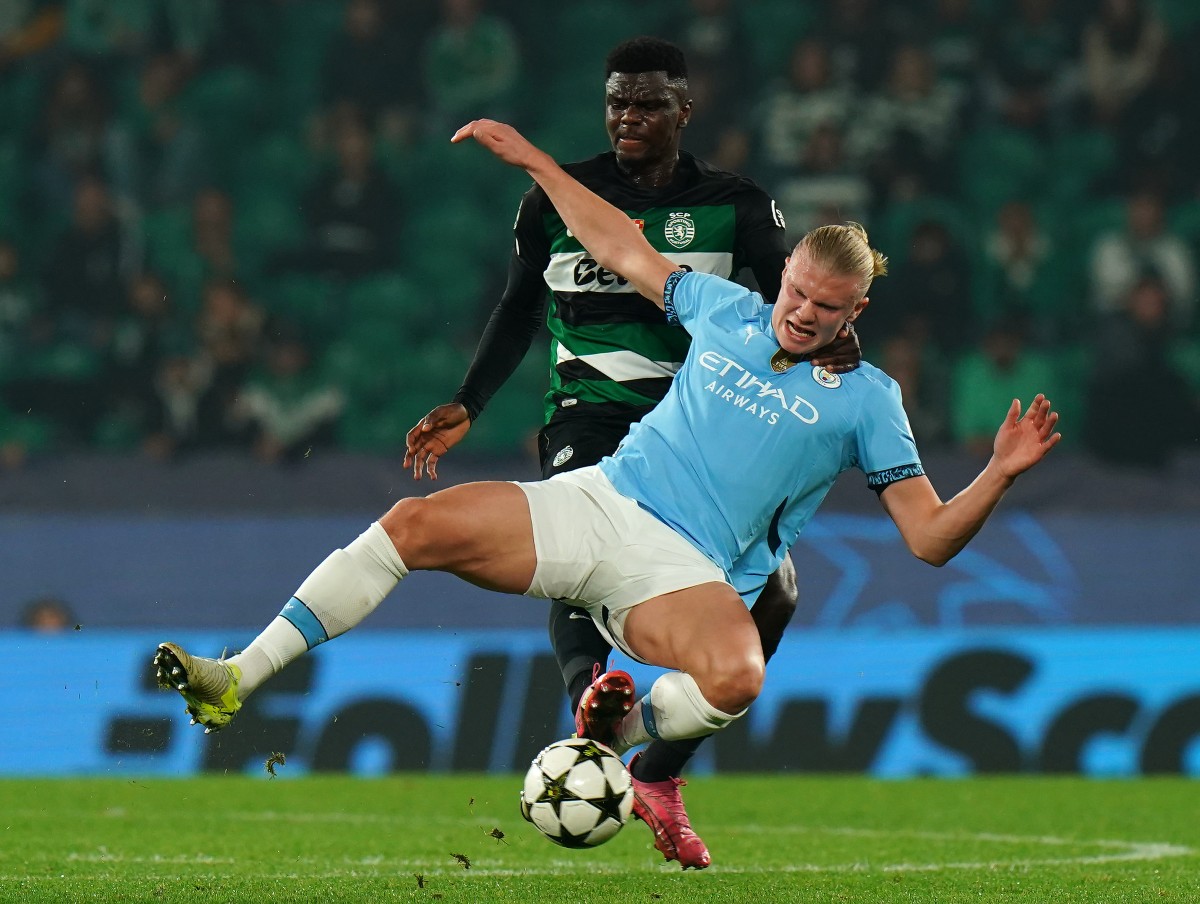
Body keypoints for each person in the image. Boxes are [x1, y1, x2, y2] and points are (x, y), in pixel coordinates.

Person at [155, 118, 1060, 871]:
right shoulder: (724, 309)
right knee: (411, 523)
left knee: (739, 673)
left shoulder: (870, 403)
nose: (798, 313)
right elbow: (619, 244)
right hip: (601, 504)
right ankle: (237, 676)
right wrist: (542, 167)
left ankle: (622, 732)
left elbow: (931, 540)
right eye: (793, 291)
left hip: (689, 572)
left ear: (855, 310)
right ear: (780, 277)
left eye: (824, 308)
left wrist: (999, 473)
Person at [404, 37, 859, 868]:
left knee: (781, 593)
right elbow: (517, 310)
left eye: (648, 104)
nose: (627, 118)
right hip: (591, 416)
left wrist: (836, 347)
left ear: (684, 112)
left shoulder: (737, 206)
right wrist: (469, 401)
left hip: (700, 436)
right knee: (584, 552)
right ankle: (594, 705)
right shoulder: (558, 199)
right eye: (616, 101)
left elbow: (798, 304)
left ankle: (659, 774)